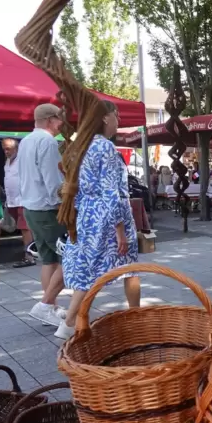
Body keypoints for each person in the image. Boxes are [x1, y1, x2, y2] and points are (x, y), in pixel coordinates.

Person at [56, 101, 140, 339]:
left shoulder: (79, 146)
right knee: (129, 267)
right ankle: (136, 315)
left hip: (86, 214)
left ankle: (70, 322)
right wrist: (120, 230)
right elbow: (111, 192)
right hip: (107, 215)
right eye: (116, 115)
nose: (119, 120)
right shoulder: (105, 148)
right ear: (104, 118)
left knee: (87, 271)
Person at [19, 103, 67, 326]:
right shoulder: (47, 142)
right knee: (71, 259)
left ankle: (50, 308)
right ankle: (46, 304)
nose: (61, 124)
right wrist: (63, 204)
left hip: (31, 208)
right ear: (50, 119)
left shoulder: (26, 141)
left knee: (48, 260)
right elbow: (53, 180)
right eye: (59, 119)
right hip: (48, 209)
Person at [2, 138, 35, 268]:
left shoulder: (23, 160)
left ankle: (29, 257)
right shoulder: (7, 162)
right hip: (12, 201)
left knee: (25, 228)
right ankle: (33, 252)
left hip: (23, 199)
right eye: (4, 149)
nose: (6, 151)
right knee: (24, 229)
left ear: (16, 148)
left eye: (8, 149)